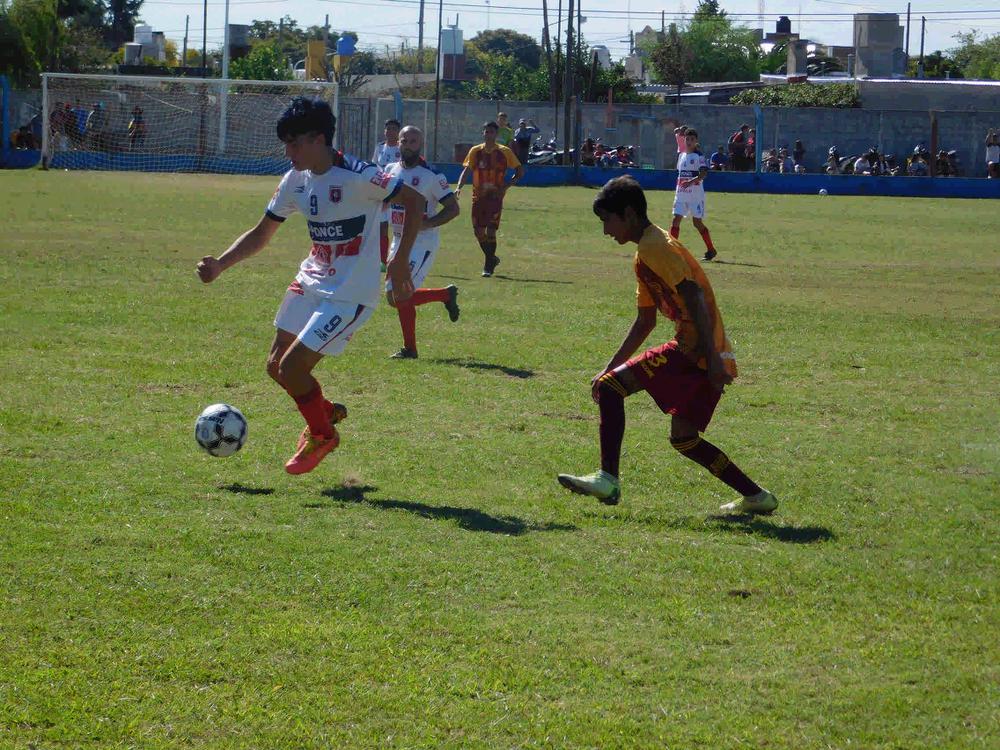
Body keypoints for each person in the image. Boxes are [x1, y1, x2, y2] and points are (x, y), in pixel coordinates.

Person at [196, 97, 425, 475]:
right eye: (286, 144)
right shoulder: (295, 180)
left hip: (350, 293)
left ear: (319, 139)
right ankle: (325, 412)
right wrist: (221, 263)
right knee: (276, 367)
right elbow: (262, 233)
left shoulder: (359, 174)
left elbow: (414, 202)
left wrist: (399, 261)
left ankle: (323, 434)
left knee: (292, 368)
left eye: (294, 143)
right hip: (310, 280)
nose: (288, 152)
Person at [556, 176, 777, 515]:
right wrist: (608, 367)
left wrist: (713, 358)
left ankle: (607, 478)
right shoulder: (645, 253)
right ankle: (757, 497)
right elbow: (645, 320)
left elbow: (694, 295)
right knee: (684, 438)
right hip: (702, 350)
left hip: (694, 349)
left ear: (629, 214)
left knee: (611, 389)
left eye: (607, 221)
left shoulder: (655, 247)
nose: (605, 231)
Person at [383, 125, 461, 359]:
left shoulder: (432, 175)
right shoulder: (389, 170)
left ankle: (410, 349)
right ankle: (444, 295)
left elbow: (453, 209)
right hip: (397, 240)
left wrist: (427, 224)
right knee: (393, 297)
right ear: (398, 143)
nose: (408, 146)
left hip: (421, 243)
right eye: (404, 141)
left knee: (400, 295)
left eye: (413, 142)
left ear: (421, 145)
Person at [455, 121, 524, 277]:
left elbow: (520, 171)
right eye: (486, 132)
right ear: (483, 133)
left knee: (491, 230)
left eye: (491, 132)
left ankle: (488, 265)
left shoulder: (504, 152)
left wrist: (506, 186)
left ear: (496, 134)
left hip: (495, 197)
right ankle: (492, 258)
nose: (488, 135)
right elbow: (466, 170)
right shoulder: (475, 151)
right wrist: (459, 187)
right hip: (478, 197)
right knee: (478, 231)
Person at [670, 128, 717, 263]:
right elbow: (680, 173)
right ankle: (672, 251)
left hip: (695, 196)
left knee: (697, 223)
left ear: (696, 141)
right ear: (684, 140)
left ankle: (711, 250)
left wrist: (690, 181)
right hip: (681, 194)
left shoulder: (699, 156)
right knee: (676, 220)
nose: (689, 141)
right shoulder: (682, 156)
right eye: (687, 139)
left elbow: (704, 173)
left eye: (692, 139)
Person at [372, 118, 402, 270]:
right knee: (381, 226)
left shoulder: (401, 148)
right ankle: (382, 261)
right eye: (388, 128)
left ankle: (401, 257)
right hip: (381, 192)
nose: (390, 131)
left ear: (398, 132)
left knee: (399, 227)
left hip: (396, 192)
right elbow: (374, 167)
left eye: (393, 129)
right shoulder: (380, 147)